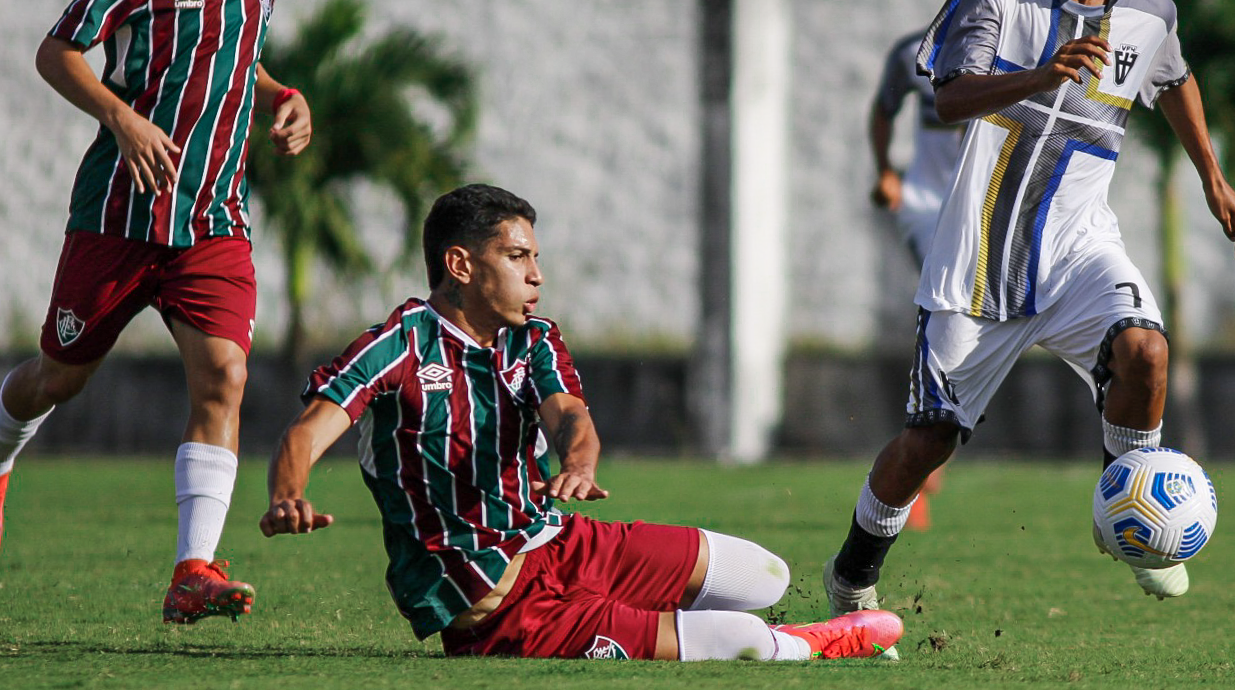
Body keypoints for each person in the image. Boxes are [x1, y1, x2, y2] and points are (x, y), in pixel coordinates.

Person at [825, 0, 1235, 616]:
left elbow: (1174, 78)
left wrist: (1212, 177)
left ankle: (1127, 515)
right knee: (926, 442)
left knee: (1144, 351)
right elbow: (951, 97)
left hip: (1078, 247)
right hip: (977, 260)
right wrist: (1042, 73)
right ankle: (853, 574)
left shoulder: (1149, 12)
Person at [261, 184, 903, 661]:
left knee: (765, 574)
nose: (536, 275)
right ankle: (804, 644)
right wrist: (289, 494)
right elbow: (308, 431)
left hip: (564, 543)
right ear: (461, 265)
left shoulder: (533, 339)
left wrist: (579, 462)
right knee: (743, 645)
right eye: (517, 257)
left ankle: (643, 623)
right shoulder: (397, 344)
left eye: (535, 256)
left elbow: (569, 415)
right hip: (501, 610)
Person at [0, 0, 312, 624]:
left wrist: (284, 98)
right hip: (119, 214)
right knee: (59, 377)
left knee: (226, 375)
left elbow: (238, 61)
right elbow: (57, 51)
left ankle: (193, 569)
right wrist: (120, 114)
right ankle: (2, 441)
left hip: (212, 219)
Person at [868, 0, 1001, 531]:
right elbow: (882, 109)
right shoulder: (914, 50)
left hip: (989, 208)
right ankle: (920, 467)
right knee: (944, 312)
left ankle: (925, 451)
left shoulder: (1020, 47)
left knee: (975, 325)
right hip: (928, 206)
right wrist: (885, 174)